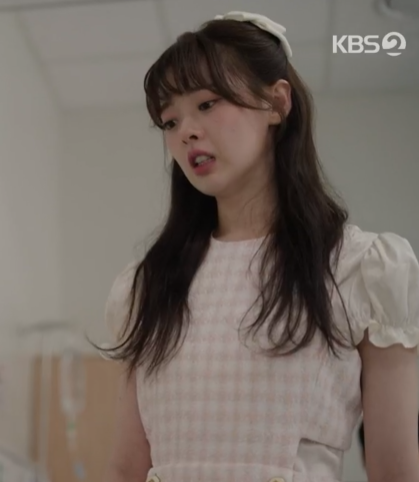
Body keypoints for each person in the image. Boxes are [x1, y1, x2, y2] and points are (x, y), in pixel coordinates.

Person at [102, 11, 419, 482]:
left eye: (207, 103)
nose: (186, 131)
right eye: (169, 121)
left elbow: (395, 473)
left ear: (276, 102)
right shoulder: (149, 285)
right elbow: (126, 468)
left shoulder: (359, 269)